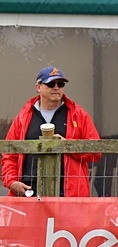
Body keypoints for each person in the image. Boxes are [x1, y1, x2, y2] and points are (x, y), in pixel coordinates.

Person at [3, 66, 101, 197]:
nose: (56, 88)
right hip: (28, 189)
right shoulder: (23, 117)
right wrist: (12, 181)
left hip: (67, 192)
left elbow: (96, 151)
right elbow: (9, 154)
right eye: (50, 84)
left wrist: (67, 146)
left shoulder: (78, 115)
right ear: (38, 87)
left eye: (60, 84)